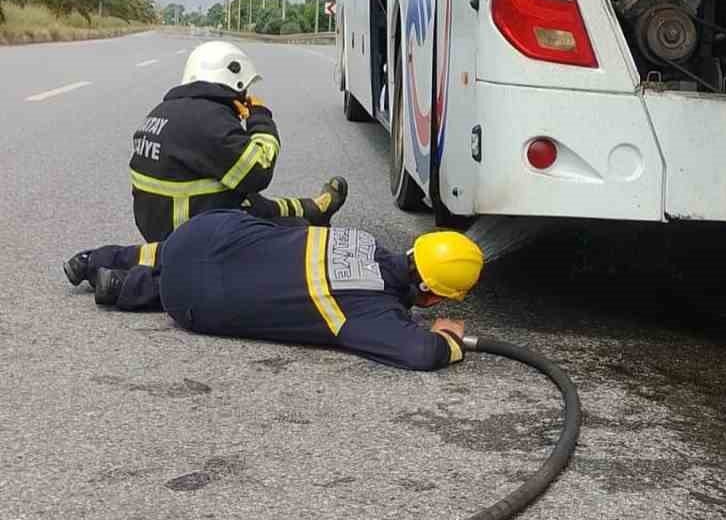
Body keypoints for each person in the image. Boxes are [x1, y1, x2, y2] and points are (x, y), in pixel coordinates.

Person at [64, 212, 484, 371]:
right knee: (211, 288)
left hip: (203, 230)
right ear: (432, 295)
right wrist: (447, 340)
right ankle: (122, 288)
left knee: (182, 252)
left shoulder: (362, 239)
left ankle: (97, 260)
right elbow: (418, 353)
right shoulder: (371, 311)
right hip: (190, 302)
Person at [72, 41, 348, 271]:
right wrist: (260, 119)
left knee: (253, 203)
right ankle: (310, 218)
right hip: (192, 232)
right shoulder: (211, 121)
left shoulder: (162, 111)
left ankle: (316, 207)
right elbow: (258, 171)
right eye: (243, 90)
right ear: (233, 83)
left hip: (160, 222)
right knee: (294, 235)